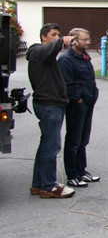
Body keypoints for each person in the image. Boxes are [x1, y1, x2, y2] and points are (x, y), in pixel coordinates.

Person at [26, 23, 76, 198]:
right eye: (53, 35)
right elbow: (49, 50)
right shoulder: (37, 51)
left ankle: (38, 184)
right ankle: (48, 186)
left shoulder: (44, 55)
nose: (56, 37)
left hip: (52, 105)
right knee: (51, 146)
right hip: (49, 106)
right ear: (43, 37)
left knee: (46, 145)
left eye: (58, 34)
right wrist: (61, 41)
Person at [59, 28, 100, 188]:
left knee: (83, 139)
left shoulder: (84, 56)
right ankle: (72, 174)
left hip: (88, 102)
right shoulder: (66, 59)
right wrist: (77, 99)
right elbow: (67, 83)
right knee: (74, 140)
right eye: (85, 40)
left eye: (88, 39)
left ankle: (81, 170)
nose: (88, 42)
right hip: (77, 105)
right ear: (74, 40)